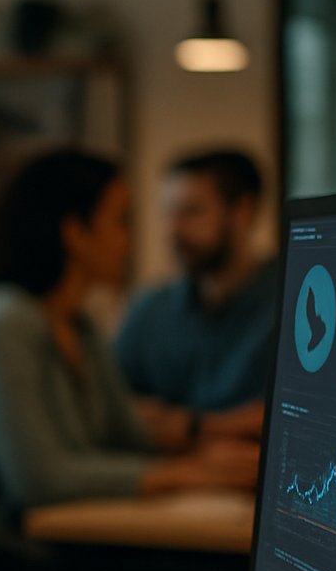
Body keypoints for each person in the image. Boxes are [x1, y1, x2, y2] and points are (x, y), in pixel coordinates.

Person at [0, 149, 257, 533]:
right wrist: (192, 473)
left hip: (53, 544)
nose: (130, 241)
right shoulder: (2, 325)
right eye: (120, 222)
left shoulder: (78, 326)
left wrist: (213, 458)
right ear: (76, 234)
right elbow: (41, 479)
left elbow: (128, 436)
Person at [114, 149, 276, 444]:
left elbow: (301, 413)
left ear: (243, 211)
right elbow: (112, 407)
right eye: (169, 213)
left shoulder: (290, 302)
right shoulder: (149, 310)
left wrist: (192, 426)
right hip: (163, 482)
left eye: (191, 212)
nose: (173, 230)